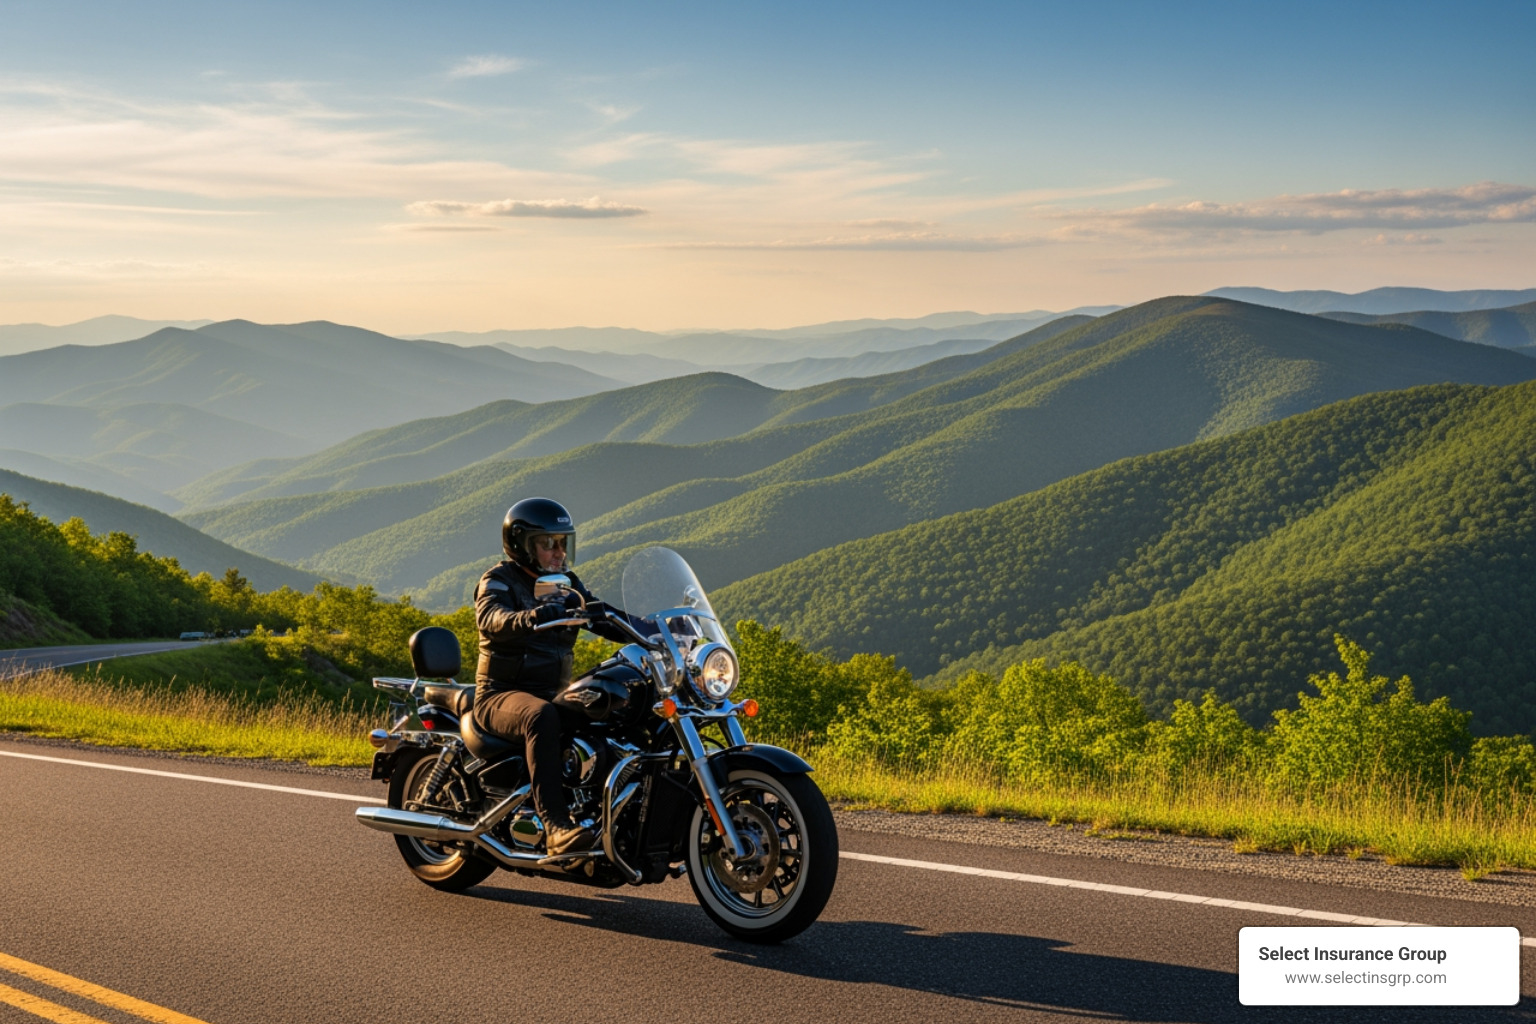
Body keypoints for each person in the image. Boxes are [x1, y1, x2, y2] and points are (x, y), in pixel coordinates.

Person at [471, 497, 636, 855]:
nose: (559, 552)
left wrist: (657, 630)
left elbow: (602, 614)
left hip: (552, 691)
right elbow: (491, 619)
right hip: (500, 695)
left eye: (564, 543)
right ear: (522, 544)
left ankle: (605, 815)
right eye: (549, 544)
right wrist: (531, 616)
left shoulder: (566, 583)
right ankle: (556, 826)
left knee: (613, 705)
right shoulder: (497, 580)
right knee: (540, 716)